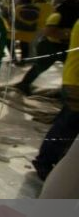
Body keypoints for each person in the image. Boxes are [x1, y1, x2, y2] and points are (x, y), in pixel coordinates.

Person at [32, 18, 79, 181]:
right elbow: (50, 31)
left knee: (67, 124)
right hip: (76, 83)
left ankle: (49, 161)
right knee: (68, 126)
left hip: (73, 80)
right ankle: (45, 161)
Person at [15, 0, 79, 95]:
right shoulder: (57, 15)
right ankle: (24, 84)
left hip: (65, 46)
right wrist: (70, 35)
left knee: (71, 70)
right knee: (40, 66)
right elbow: (49, 32)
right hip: (50, 46)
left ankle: (67, 92)